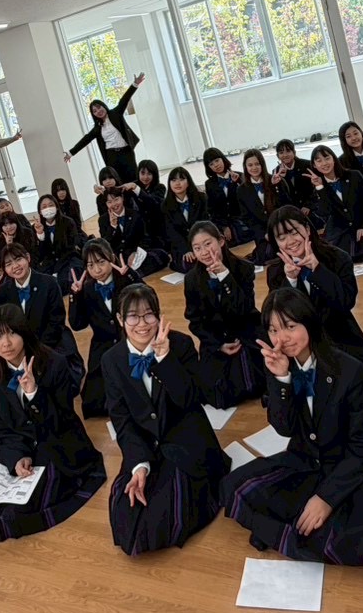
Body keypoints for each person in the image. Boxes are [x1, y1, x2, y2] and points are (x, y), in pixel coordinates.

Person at [220, 288, 363, 567]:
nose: (281, 338)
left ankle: (285, 531)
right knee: (234, 488)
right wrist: (281, 380)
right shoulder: (279, 364)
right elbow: (284, 428)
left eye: (290, 327)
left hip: (352, 466)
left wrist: (326, 498)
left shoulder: (349, 370)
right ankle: (294, 531)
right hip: (307, 459)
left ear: (309, 322)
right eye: (273, 330)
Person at [105, 285, 229, 555]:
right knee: (125, 514)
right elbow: (122, 420)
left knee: (164, 517)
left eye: (149, 315)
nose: (142, 324)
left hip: (183, 439)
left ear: (159, 316)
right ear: (120, 320)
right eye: (133, 316)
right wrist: (139, 465)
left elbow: (190, 399)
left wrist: (164, 358)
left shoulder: (180, 344)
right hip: (144, 443)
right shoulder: (111, 360)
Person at [0, 305, 107, 542]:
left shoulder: (55, 363)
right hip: (22, 445)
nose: (6, 343)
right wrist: (17, 457)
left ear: (24, 333)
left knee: (14, 516)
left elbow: (62, 420)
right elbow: (1, 428)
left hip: (57, 441)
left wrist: (34, 393)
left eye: (12, 333)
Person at [264, 206, 363, 399]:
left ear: (307, 229)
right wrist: (291, 281)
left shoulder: (338, 258)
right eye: (281, 237)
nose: (290, 241)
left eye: (294, 232)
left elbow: (346, 302)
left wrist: (317, 270)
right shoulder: (275, 272)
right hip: (301, 348)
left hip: (340, 339)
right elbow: (278, 317)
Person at [183, 221, 264, 409]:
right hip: (216, 339)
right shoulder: (192, 279)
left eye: (208, 244)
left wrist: (225, 276)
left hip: (245, 333)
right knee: (217, 393)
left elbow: (245, 309)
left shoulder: (244, 268)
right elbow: (195, 322)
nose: (204, 252)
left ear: (220, 241)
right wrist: (218, 345)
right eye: (197, 248)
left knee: (256, 383)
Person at [0, 244, 84, 390]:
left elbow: (56, 321)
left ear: (28, 258)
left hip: (49, 341)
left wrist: (35, 349)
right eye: (8, 264)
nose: (15, 266)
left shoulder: (49, 283)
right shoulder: (3, 290)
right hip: (19, 346)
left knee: (60, 382)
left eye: (18, 259)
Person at [67, 239, 142, 418]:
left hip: (132, 340)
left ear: (111, 258)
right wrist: (75, 296)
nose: (97, 270)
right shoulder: (87, 289)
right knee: (94, 402)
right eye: (90, 265)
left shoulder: (124, 278)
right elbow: (77, 325)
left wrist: (130, 276)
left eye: (101, 262)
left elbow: (148, 300)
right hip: (103, 344)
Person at [64, 73, 146, 183]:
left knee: (133, 179)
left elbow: (124, 99)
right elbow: (86, 140)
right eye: (95, 111)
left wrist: (135, 84)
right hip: (112, 156)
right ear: (94, 115)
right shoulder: (98, 128)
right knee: (118, 182)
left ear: (103, 106)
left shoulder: (115, 114)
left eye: (99, 107)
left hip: (126, 152)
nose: (98, 111)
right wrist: (70, 153)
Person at [306, 144, 363, 260]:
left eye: (327, 158)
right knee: (340, 258)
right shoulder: (316, 187)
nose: (324, 163)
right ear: (314, 165)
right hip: (339, 235)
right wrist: (320, 187)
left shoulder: (354, 175)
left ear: (334, 159)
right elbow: (325, 212)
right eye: (319, 161)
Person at [100, 185, 169, 275]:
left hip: (135, 252)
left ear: (122, 198)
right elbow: (105, 245)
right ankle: (134, 273)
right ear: (106, 204)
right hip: (117, 257)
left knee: (162, 255)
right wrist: (113, 227)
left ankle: (133, 273)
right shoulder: (103, 220)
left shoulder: (134, 214)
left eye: (116, 199)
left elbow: (145, 237)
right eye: (109, 202)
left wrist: (135, 253)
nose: (114, 204)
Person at [234, 149, 285, 264]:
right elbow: (247, 217)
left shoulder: (274, 179)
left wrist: (277, 186)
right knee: (265, 257)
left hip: (280, 227)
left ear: (262, 164)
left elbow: (285, 206)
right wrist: (264, 234)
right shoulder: (242, 190)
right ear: (245, 167)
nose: (254, 168)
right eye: (250, 165)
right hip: (262, 233)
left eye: (257, 164)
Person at [32, 193, 84, 289]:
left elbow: (71, 247)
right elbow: (40, 253)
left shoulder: (68, 222)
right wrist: (40, 234)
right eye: (44, 207)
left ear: (56, 207)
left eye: (51, 205)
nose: (48, 208)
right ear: (40, 212)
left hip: (67, 259)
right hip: (49, 262)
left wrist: (57, 269)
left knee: (68, 280)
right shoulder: (36, 227)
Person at [162, 166, 209, 268]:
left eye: (181, 179)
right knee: (191, 265)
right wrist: (186, 250)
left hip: (202, 241)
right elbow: (171, 232)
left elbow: (205, 223)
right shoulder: (165, 205)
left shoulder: (201, 198)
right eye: (173, 180)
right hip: (180, 247)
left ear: (188, 182)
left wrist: (198, 246)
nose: (177, 183)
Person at [201, 148, 247, 244]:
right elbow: (212, 210)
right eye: (211, 164)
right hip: (222, 225)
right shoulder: (209, 184)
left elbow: (247, 201)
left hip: (242, 222)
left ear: (223, 159)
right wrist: (224, 226)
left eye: (217, 160)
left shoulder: (239, 176)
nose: (216, 165)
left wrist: (238, 182)